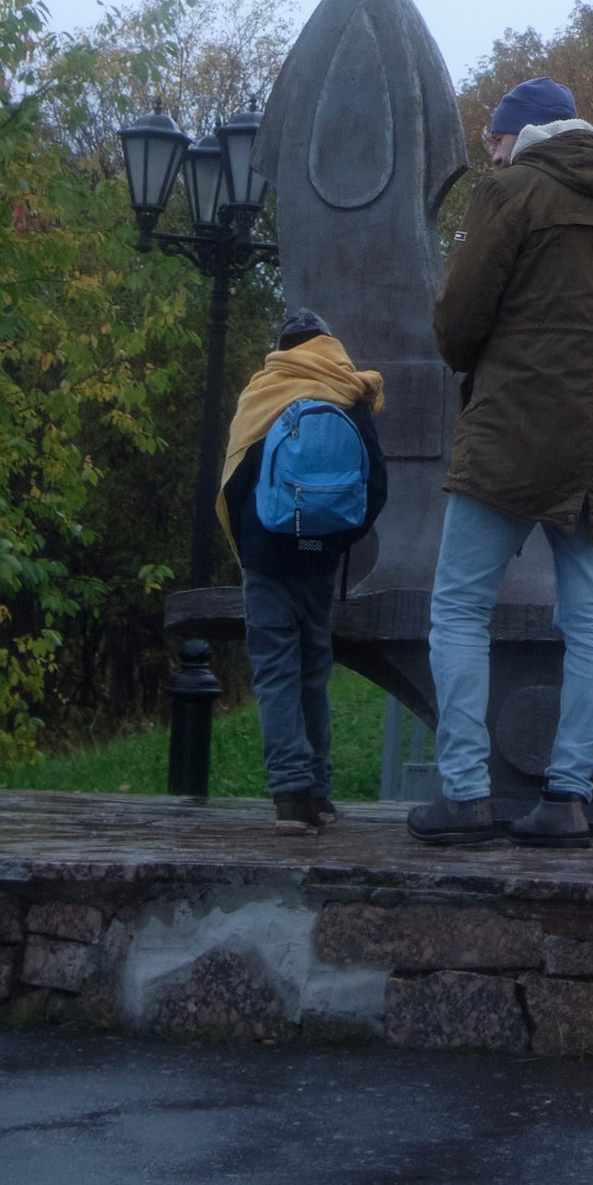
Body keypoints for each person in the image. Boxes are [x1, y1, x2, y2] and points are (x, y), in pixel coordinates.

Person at [406, 74, 593, 847]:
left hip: (510, 436)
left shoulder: (512, 194)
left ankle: (466, 792)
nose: (491, 149)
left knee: (457, 609)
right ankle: (568, 797)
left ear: (528, 133)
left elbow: (457, 325)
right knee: (589, 621)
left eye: (497, 136)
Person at [219, 308, 389, 830]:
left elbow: (235, 481)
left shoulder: (264, 394)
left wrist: (251, 542)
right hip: (321, 561)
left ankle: (289, 794)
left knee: (275, 673)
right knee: (314, 673)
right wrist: (335, 538)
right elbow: (375, 487)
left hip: (267, 556)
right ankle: (320, 792)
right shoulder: (348, 393)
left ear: (283, 347)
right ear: (327, 344)